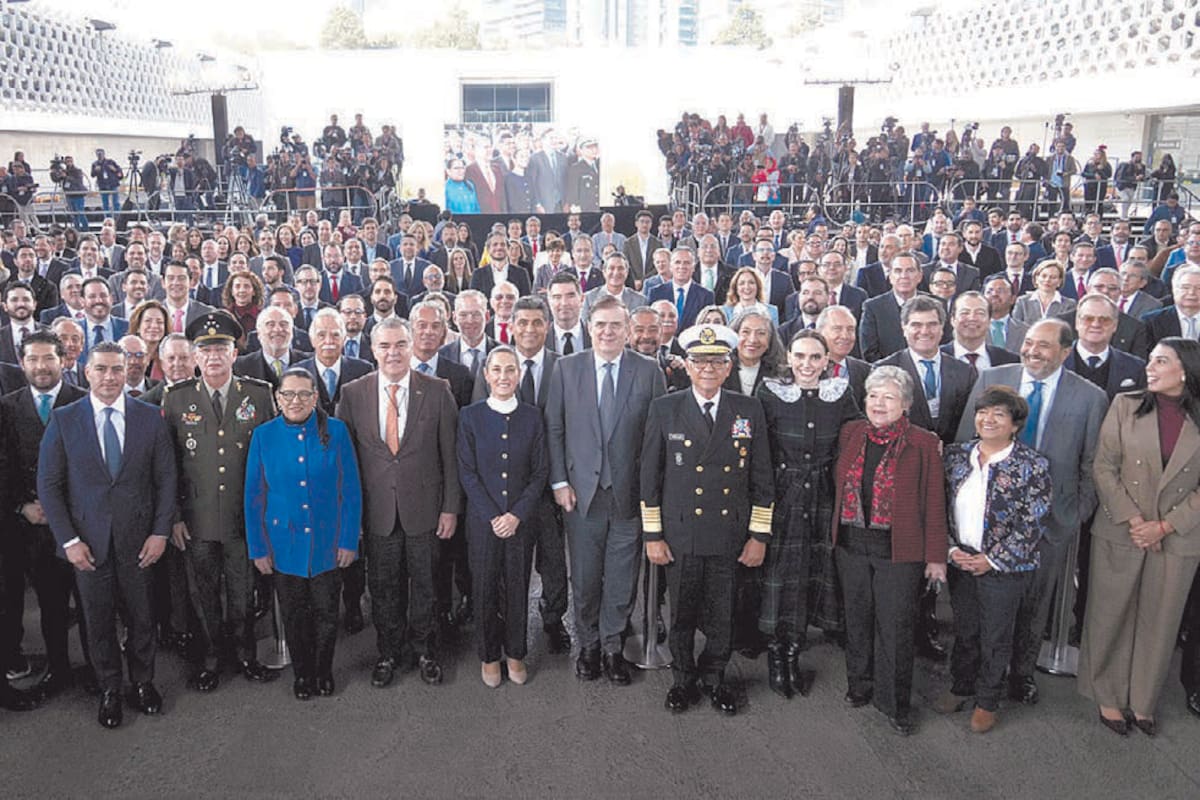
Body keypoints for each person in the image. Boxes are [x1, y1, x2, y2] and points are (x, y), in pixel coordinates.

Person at [956, 318, 1107, 705]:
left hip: (1050, 525)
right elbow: (963, 443)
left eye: (1043, 345)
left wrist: (1075, 516)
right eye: (1028, 343)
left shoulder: (1090, 397)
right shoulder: (992, 376)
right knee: (981, 608)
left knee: (1034, 606)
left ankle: (1020, 675)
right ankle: (970, 677)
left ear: (1065, 352)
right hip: (986, 524)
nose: (1032, 351)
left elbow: (1092, 465)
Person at [37, 342, 178, 729]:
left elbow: (166, 479)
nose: (110, 377)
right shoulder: (65, 419)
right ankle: (109, 689)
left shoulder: (150, 417)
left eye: (118, 369)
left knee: (142, 617)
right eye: (101, 369)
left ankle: (143, 682)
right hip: (87, 545)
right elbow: (49, 485)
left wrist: (160, 532)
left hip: (140, 542)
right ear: (85, 371)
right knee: (97, 620)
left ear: (128, 369)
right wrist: (68, 541)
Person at [641, 323, 774, 715]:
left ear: (729, 366)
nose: (708, 368)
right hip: (681, 533)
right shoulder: (665, 407)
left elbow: (762, 478)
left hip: (729, 534)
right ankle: (683, 679)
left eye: (717, 361)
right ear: (687, 365)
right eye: (700, 361)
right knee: (681, 612)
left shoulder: (748, 410)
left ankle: (715, 677)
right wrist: (653, 535)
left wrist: (758, 536)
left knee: (722, 613)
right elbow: (650, 477)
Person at [1079, 338, 1200, 737]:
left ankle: (1143, 700)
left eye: (1160, 361)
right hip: (1121, 525)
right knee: (1110, 612)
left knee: (1161, 619)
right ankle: (1108, 696)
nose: (1150, 367)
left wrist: (1165, 526)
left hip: (1179, 535)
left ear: (1185, 371)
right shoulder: (1125, 405)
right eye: (1150, 360)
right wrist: (1135, 519)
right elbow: (1104, 466)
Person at [544, 295, 667, 684]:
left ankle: (613, 646)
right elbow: (555, 428)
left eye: (616, 325)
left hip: (629, 495)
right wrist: (560, 482)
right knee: (584, 575)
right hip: (582, 494)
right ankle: (589, 645)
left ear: (628, 329)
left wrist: (653, 494)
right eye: (601, 325)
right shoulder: (566, 369)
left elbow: (657, 437)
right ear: (589, 328)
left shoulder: (649, 372)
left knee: (621, 574)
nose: (608, 332)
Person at [336, 318, 461, 688]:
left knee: (427, 585)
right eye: (385, 346)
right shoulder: (353, 393)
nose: (393, 353)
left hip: (425, 510)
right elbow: (345, 462)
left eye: (400, 345)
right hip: (376, 515)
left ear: (411, 347)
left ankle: (425, 651)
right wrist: (351, 516)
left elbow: (450, 457)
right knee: (384, 588)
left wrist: (450, 507)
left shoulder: (437, 391)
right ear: (372, 350)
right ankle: (389, 652)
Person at [161, 311, 277, 692]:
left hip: (244, 519)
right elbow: (169, 467)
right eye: (205, 350)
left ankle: (246, 654)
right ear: (194, 356)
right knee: (204, 594)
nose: (213, 356)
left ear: (234, 353)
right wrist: (175, 516)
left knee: (243, 594)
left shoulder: (258, 394)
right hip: (197, 520)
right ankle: (211, 658)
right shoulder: (177, 400)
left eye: (221, 348)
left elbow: (270, 461)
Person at [832, 366, 948, 735]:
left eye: (889, 397)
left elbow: (934, 501)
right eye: (873, 396)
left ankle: (894, 702)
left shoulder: (923, 442)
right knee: (858, 621)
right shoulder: (851, 433)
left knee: (895, 627)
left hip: (899, 552)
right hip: (851, 546)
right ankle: (859, 686)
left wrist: (936, 557)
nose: (879, 404)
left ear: (906, 404)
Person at [937, 386, 1052, 733]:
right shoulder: (957, 456)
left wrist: (993, 559)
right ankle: (962, 686)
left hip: (1004, 568)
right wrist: (951, 549)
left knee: (996, 635)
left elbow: (1033, 522)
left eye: (999, 414)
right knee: (966, 630)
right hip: (961, 559)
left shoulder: (1032, 465)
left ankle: (988, 700)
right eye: (983, 412)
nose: (988, 419)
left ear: (1015, 425)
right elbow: (939, 507)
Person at [244, 368, 361, 701]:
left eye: (303, 395)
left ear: (315, 398)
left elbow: (351, 491)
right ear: (277, 399)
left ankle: (324, 670)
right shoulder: (263, 436)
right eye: (288, 395)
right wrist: (258, 548)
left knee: (326, 613)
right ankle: (303, 674)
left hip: (328, 541)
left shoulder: (336, 432)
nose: (295, 401)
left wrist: (348, 540)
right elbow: (253, 496)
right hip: (283, 544)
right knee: (294, 615)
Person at [756, 330, 859, 699]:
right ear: (789, 358)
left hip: (824, 498)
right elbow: (757, 450)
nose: (807, 365)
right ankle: (777, 654)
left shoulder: (840, 393)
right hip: (783, 497)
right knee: (782, 574)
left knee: (813, 573)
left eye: (815, 358)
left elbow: (858, 439)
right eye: (800, 356)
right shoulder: (770, 392)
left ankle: (795, 650)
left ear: (827, 360)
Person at [0, 331, 90, 702]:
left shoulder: (83, 402)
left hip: (79, 523)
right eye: (33, 359)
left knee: (88, 602)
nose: (40, 366)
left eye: (48, 358)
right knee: (51, 605)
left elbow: (93, 466)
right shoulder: (6, 407)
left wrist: (64, 509)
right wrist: (21, 505)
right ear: (22, 364)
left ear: (63, 360)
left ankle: (100, 668)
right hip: (31, 526)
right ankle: (58, 668)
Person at [457, 346, 549, 686]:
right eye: (496, 370)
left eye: (510, 370)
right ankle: (489, 655)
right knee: (483, 589)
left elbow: (539, 473)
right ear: (486, 374)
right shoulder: (470, 416)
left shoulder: (532, 415)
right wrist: (494, 516)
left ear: (519, 374)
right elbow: (467, 472)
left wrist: (516, 516)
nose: (503, 377)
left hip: (520, 523)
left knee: (517, 587)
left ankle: (515, 653)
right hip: (483, 522)